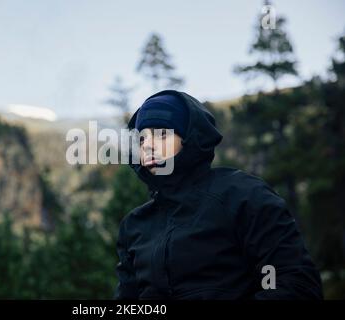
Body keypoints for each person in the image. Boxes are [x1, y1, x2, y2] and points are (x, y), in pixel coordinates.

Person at [114, 90, 323, 300]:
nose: (148, 145)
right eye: (141, 139)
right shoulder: (134, 226)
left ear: (189, 137)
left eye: (161, 134)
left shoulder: (243, 196)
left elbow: (297, 284)